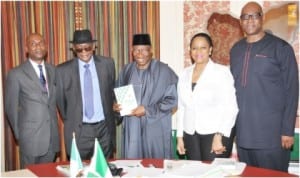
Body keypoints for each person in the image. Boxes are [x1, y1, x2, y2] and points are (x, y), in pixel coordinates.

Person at [230, 2, 299, 172]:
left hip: (272, 137)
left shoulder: (281, 48)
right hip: (244, 136)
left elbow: (292, 90)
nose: (250, 20)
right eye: (245, 17)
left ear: (263, 18)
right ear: (240, 21)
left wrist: (287, 130)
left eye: (254, 15)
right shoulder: (236, 50)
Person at [113, 33, 178, 159]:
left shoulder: (164, 71)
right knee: (133, 165)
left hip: (155, 127)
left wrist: (147, 110)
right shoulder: (126, 71)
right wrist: (116, 106)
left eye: (144, 50)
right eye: (136, 50)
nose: (140, 54)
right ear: (132, 51)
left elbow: (172, 100)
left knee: (156, 165)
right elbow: (118, 94)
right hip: (133, 127)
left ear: (151, 51)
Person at [176, 33, 238, 161]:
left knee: (213, 172)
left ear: (210, 50)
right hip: (190, 133)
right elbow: (182, 108)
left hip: (216, 133)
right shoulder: (184, 74)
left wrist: (219, 135)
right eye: (194, 48)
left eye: (203, 47)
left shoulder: (222, 72)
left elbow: (231, 108)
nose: (198, 51)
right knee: (195, 172)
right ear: (190, 51)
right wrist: (179, 137)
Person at [56, 29, 116, 160]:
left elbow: (112, 93)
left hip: (104, 129)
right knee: (80, 171)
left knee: (105, 170)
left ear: (94, 46)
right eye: (79, 49)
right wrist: (75, 117)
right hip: (80, 131)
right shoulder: (62, 71)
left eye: (87, 48)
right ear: (73, 49)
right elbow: (61, 103)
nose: (84, 52)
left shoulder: (107, 64)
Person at [4, 33, 60, 168]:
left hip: (51, 139)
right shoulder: (16, 74)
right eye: (33, 44)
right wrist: (20, 136)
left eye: (40, 43)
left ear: (46, 46)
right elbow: (10, 108)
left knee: (48, 175)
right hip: (30, 139)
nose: (38, 47)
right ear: (26, 49)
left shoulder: (54, 70)